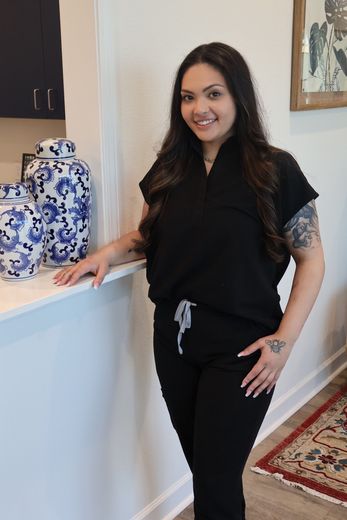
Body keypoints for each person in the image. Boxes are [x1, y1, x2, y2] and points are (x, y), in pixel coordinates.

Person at [54, 42, 325, 520]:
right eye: (187, 97)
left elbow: (312, 259)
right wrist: (105, 253)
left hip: (242, 349)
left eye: (213, 94)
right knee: (205, 471)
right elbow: (149, 234)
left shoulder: (275, 170)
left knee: (216, 484)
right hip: (174, 342)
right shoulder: (168, 169)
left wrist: (284, 341)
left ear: (238, 97)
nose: (199, 109)